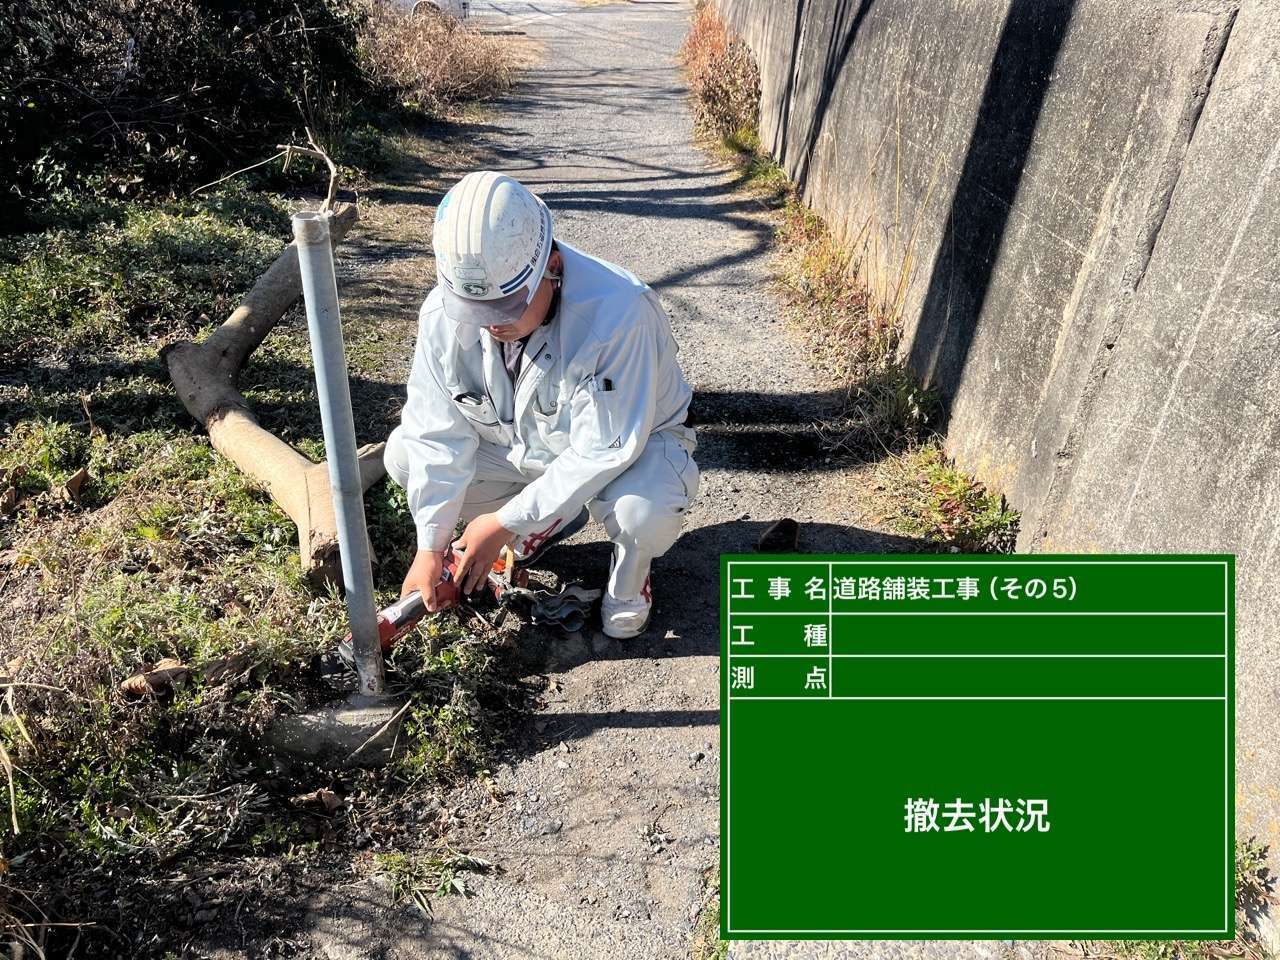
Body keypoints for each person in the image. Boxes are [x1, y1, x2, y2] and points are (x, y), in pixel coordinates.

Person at [384, 171, 700, 639]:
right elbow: (435, 435)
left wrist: (502, 521)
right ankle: (542, 522)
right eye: (477, 311)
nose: (492, 325)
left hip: (632, 446)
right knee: (404, 455)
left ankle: (631, 576)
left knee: (643, 514)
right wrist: (430, 546)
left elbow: (604, 449)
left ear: (552, 265)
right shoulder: (442, 314)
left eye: (507, 307)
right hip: (532, 447)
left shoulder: (619, 314)